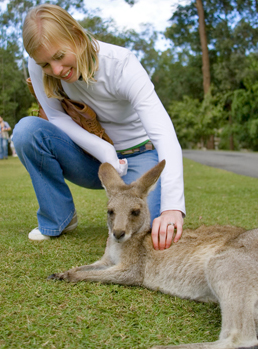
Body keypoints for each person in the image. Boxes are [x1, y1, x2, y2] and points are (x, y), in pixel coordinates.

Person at [13, 4, 186, 249]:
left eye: (60, 57)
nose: (56, 70)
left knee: (145, 235)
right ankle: (59, 217)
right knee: (26, 131)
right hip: (93, 160)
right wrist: (105, 151)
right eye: (45, 65)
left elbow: (163, 133)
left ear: (76, 34)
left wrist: (172, 207)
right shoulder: (39, 64)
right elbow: (56, 117)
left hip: (139, 155)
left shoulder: (122, 64)